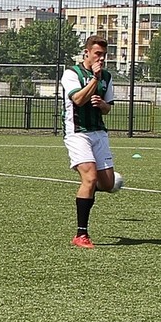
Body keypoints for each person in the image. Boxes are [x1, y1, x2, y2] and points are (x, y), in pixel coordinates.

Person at [61, 35, 118, 249]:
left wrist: (102, 104)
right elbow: (77, 99)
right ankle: (81, 234)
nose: (101, 58)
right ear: (86, 53)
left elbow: (108, 108)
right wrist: (94, 79)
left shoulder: (107, 77)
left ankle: (92, 184)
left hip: (99, 133)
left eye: (104, 55)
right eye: (97, 54)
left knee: (108, 185)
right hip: (78, 133)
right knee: (90, 178)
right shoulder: (72, 74)